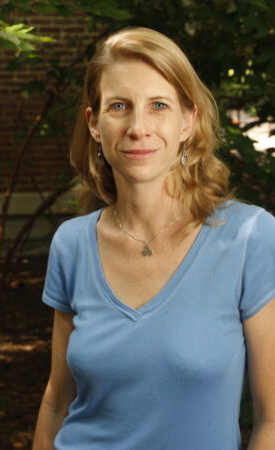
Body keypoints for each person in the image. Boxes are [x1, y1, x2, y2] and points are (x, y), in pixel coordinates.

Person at [32, 27, 275, 450]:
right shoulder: (71, 244)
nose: (138, 127)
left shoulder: (249, 237)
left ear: (187, 121)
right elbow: (57, 400)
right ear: (94, 124)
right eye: (119, 106)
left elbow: (271, 420)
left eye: (158, 105)